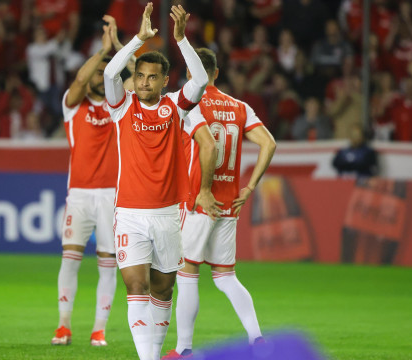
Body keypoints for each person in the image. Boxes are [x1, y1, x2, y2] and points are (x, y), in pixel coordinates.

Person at [103, 4, 220, 359]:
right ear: (134, 77)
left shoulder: (175, 107)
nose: (145, 82)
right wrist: (138, 38)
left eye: (153, 77)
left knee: (163, 290)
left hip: (168, 215)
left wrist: (181, 39)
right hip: (129, 214)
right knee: (135, 286)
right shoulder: (122, 107)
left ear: (165, 80)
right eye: (140, 76)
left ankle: (154, 349)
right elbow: (110, 74)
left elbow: (199, 81)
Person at [163, 48, 276, 359]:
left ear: (191, 74)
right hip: (229, 201)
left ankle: (184, 349)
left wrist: (203, 189)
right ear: (217, 73)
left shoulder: (186, 101)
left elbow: (207, 147)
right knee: (226, 276)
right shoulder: (239, 107)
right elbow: (269, 143)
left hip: (201, 199)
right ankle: (257, 339)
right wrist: (250, 187)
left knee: (186, 271)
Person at [51, 15, 124, 347]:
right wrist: (102, 50)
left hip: (111, 195)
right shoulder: (73, 106)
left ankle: (99, 329)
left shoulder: (119, 107)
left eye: (105, 72)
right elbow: (80, 78)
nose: (99, 75)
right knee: (70, 259)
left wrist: (120, 50)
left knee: (108, 265)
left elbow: (136, 80)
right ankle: (63, 325)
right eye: (98, 72)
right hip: (79, 194)